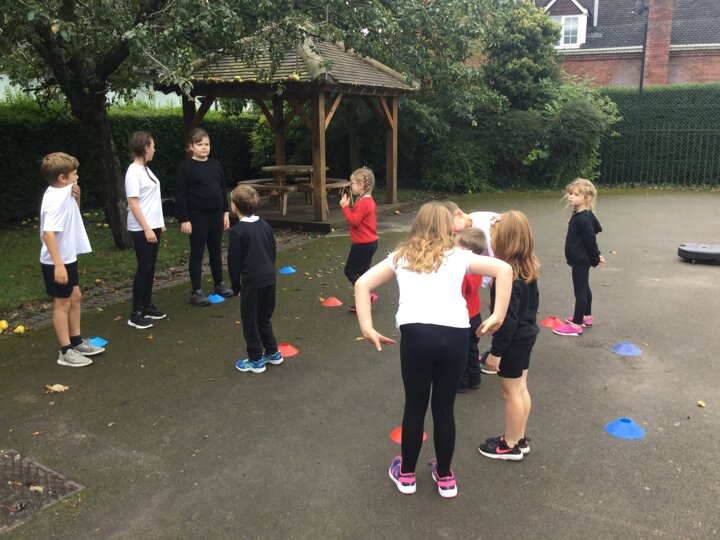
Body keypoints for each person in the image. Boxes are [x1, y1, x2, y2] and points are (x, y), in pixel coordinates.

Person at [354, 203, 513, 498]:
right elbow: (504, 269)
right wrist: (498, 315)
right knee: (444, 408)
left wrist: (367, 327)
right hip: (454, 336)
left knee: (414, 406)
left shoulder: (400, 256)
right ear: (447, 227)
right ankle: (445, 477)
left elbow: (362, 284)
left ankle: (407, 475)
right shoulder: (458, 256)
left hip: (415, 336)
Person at [477, 211, 540, 461]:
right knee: (520, 388)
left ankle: (510, 445)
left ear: (505, 241)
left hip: (513, 341)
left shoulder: (508, 278)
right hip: (527, 334)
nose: (490, 240)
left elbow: (507, 321)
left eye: (493, 236)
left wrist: (496, 353)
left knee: (510, 393)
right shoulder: (528, 267)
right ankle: (519, 437)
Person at [39, 152, 105, 367]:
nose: (77, 177)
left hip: (68, 256)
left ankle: (76, 342)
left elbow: (72, 216)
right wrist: (58, 265)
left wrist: (77, 198)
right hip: (56, 261)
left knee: (75, 297)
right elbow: (48, 233)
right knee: (62, 304)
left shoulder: (65, 192)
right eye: (74, 174)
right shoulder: (54, 200)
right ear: (62, 177)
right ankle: (65, 351)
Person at [227, 185, 283, 374]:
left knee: (250, 320)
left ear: (234, 206)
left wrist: (236, 285)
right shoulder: (265, 225)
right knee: (263, 317)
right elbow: (272, 250)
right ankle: (273, 352)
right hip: (269, 278)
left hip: (252, 282)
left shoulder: (237, 232)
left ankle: (256, 359)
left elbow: (234, 262)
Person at [175, 127, 233, 306]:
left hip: (216, 215)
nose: (204, 147)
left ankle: (219, 284)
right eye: (200, 144)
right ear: (191, 146)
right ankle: (197, 291)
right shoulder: (185, 167)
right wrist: (184, 219)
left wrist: (225, 213)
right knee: (197, 252)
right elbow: (180, 195)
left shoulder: (215, 165)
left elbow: (223, 189)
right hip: (197, 216)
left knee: (216, 250)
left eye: (207, 144)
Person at [125, 131, 166, 330]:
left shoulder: (145, 169)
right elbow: (133, 202)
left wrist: (159, 223)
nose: (154, 149)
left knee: (150, 267)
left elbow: (152, 199)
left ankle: (147, 305)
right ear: (144, 148)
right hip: (142, 228)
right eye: (153, 146)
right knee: (144, 268)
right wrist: (147, 228)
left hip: (153, 225)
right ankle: (136, 313)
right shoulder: (133, 171)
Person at [553, 178, 605, 337]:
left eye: (576, 195)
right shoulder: (581, 214)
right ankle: (586, 317)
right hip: (580, 258)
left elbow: (590, 241)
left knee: (580, 291)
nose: (570, 196)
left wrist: (595, 258)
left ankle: (576, 325)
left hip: (580, 260)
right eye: (570, 193)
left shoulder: (583, 218)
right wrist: (596, 255)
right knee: (585, 288)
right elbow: (586, 240)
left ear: (586, 198)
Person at [339, 167, 378, 312]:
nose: (351, 186)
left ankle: (368, 295)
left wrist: (345, 207)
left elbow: (354, 221)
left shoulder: (364, 202)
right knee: (362, 274)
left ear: (361, 185)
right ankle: (364, 301)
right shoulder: (367, 201)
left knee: (350, 271)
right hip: (369, 243)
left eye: (353, 183)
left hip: (363, 245)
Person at [454, 228, 486, 393]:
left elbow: (458, 294)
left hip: (462, 318)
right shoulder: (478, 268)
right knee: (472, 349)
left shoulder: (462, 273)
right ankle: (475, 379)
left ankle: (462, 382)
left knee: (460, 352)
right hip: (475, 315)